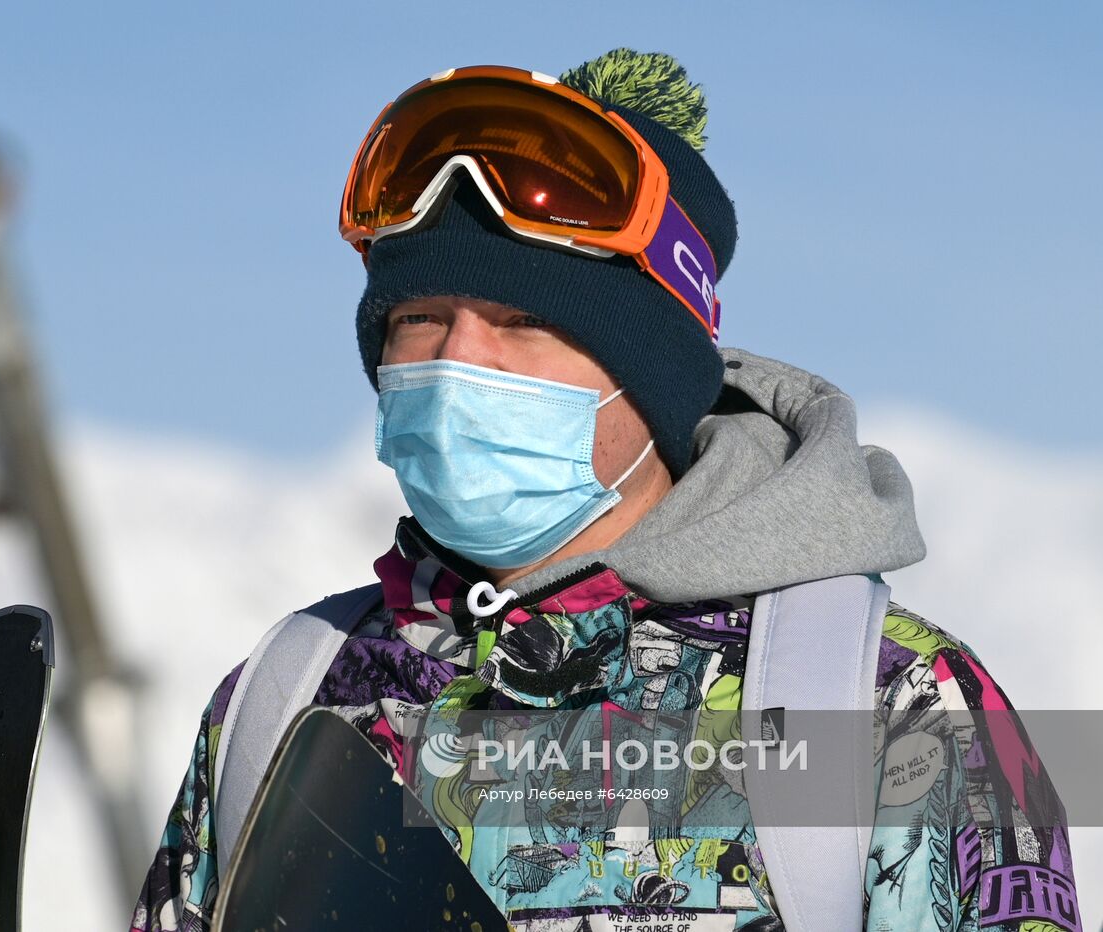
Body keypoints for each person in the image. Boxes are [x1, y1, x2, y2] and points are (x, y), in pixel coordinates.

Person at [129, 49, 1078, 931]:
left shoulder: (882, 702)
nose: (460, 359)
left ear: (649, 374)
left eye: (524, 320)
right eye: (420, 316)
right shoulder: (288, 696)